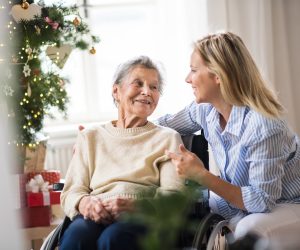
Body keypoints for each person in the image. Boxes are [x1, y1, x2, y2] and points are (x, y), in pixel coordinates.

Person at [161, 31, 300, 248]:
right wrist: (107, 129)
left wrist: (201, 175)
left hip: (289, 203)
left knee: (248, 231)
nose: (187, 79)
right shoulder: (205, 109)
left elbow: (261, 201)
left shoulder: (264, 124)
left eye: (194, 70)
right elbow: (163, 125)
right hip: (247, 205)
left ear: (218, 75)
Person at [60, 56, 184, 250]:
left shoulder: (168, 139)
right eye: (138, 83)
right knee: (78, 237)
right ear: (116, 91)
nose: (147, 92)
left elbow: (174, 197)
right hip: (95, 214)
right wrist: (85, 204)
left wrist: (137, 207)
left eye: (154, 87)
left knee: (113, 239)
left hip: (144, 219)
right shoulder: (90, 137)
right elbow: (72, 191)